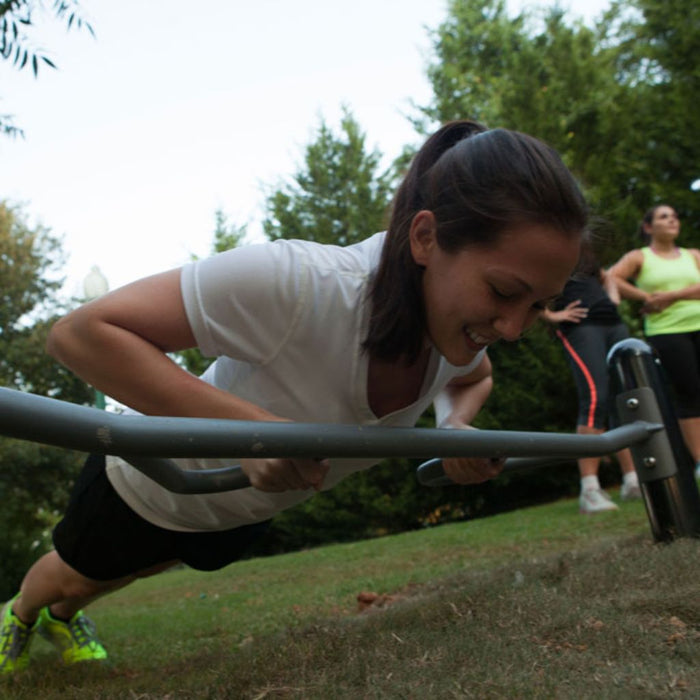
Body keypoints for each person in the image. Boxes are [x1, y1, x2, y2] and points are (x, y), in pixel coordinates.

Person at [0, 120, 587, 674]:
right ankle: (24, 615)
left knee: (139, 571)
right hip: (148, 484)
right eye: (503, 291)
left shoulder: (454, 336)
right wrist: (251, 431)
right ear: (426, 238)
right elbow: (81, 335)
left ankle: (63, 616)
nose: (512, 328)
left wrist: (454, 427)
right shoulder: (304, 284)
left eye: (536, 305)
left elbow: (473, 378)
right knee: (79, 576)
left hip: (252, 506)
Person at [541, 247, 641, 514]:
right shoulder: (544, 249)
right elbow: (528, 288)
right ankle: (589, 490)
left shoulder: (584, 252)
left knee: (624, 397)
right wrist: (551, 316)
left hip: (613, 323)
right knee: (596, 397)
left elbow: (606, 276)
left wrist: (612, 297)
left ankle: (632, 480)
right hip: (580, 327)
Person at [609, 204, 700, 480]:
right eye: (664, 217)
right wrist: (646, 298)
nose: (672, 220)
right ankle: (699, 462)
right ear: (649, 227)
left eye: (674, 216)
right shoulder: (640, 257)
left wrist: (670, 296)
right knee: (690, 394)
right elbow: (611, 277)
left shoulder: (693, 255)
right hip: (668, 332)